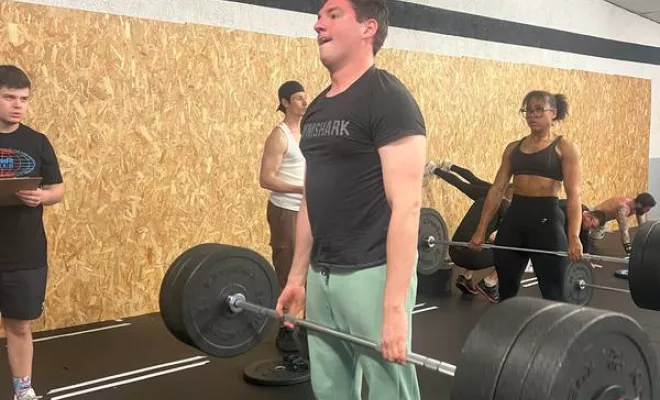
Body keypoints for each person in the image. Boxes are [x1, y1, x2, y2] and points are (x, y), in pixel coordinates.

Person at [275, 0, 426, 399]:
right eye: (319, 17)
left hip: (371, 273)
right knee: (329, 389)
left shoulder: (388, 97)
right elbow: (311, 199)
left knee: (390, 391)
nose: (318, 25)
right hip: (322, 275)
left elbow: (408, 206)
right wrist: (297, 278)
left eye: (333, 15)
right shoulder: (316, 110)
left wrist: (394, 309)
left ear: (367, 28)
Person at [469, 91, 583, 303]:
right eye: (528, 110)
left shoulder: (564, 147)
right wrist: (481, 229)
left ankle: (556, 324)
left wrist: (574, 237)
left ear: (553, 112)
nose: (532, 115)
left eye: (539, 110)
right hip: (515, 218)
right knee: (506, 289)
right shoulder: (513, 148)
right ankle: (508, 322)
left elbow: (574, 194)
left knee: (553, 292)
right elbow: (497, 189)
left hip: (547, 220)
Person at [0, 65, 65, 400]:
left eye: (23, 99)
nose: (18, 105)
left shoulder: (38, 142)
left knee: (20, 326)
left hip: (25, 255)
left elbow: (57, 190)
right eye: (9, 97)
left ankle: (22, 392)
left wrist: (41, 196)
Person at [259, 80, 308, 353]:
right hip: (286, 210)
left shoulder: (309, 132)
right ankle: (286, 328)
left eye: (305, 97)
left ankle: (308, 325)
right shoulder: (279, 136)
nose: (304, 102)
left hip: (310, 211)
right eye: (298, 98)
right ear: (285, 103)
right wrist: (299, 189)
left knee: (311, 269)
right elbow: (266, 179)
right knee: (289, 269)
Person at [423, 161, 512, 303]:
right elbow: (494, 238)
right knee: (513, 252)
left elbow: (467, 182)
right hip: (470, 257)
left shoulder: (487, 194)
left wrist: (441, 169)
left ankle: (466, 277)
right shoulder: (507, 209)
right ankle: (490, 283)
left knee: (478, 236)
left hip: (454, 251)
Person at [591, 193, 656, 279]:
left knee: (597, 237)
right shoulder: (624, 207)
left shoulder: (637, 206)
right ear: (640, 205)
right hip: (593, 216)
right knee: (590, 240)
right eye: (647, 209)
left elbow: (643, 227)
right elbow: (624, 231)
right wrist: (630, 253)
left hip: (602, 221)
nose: (647, 211)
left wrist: (649, 246)